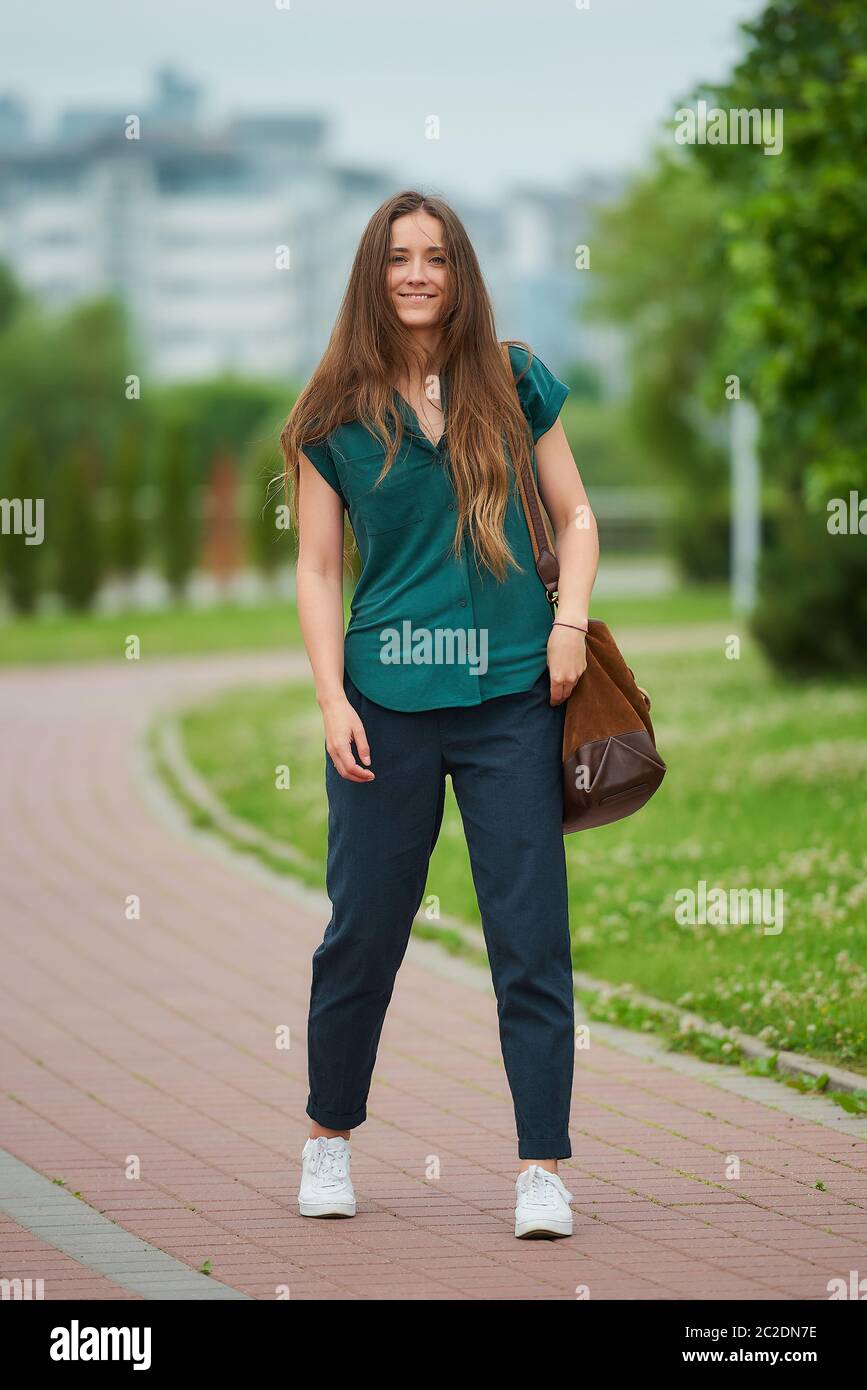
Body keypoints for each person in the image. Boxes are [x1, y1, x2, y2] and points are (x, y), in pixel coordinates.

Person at [281, 189, 599, 1239]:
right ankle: (328, 1140)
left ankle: (542, 1169)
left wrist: (569, 626)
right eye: (398, 258)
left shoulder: (513, 381)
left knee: (531, 938)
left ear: (460, 272)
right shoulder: (329, 412)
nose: (417, 274)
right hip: (387, 705)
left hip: (514, 697)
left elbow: (578, 516)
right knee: (362, 933)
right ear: (373, 274)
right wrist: (331, 698)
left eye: (436, 257)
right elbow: (320, 569)